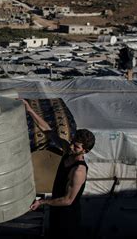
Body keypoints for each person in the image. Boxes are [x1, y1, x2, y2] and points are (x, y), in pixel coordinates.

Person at [22, 99, 95, 238]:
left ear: (85, 151)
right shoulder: (68, 150)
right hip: (56, 210)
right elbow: (48, 131)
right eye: (73, 142)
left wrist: (42, 202)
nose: (72, 146)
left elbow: (68, 200)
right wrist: (30, 110)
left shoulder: (79, 171)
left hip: (68, 218)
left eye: (77, 146)